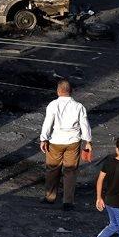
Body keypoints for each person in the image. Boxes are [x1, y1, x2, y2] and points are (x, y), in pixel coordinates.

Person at [39, 79, 92, 211]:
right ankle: (68, 202)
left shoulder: (52, 105)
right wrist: (88, 142)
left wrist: (43, 139)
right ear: (71, 91)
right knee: (70, 171)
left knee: (52, 170)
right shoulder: (79, 106)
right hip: (73, 142)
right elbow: (85, 126)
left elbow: (47, 123)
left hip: (56, 142)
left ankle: (50, 197)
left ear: (58, 91)